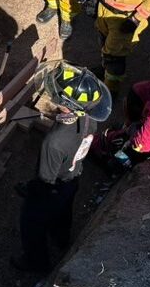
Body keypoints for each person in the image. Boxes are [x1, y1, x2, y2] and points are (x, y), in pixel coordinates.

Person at [12, 61, 112, 272]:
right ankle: (61, 239)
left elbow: (46, 180)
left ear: (66, 104)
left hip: (52, 187)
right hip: (72, 177)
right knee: (63, 211)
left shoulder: (54, 143)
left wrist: (34, 192)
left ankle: (36, 263)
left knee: (31, 223)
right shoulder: (88, 115)